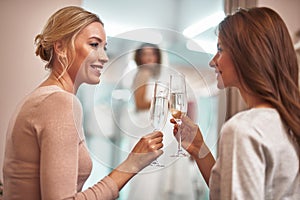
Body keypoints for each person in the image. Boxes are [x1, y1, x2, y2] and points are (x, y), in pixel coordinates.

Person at [2, 6, 164, 199]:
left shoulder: (44, 97)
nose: (104, 57)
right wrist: (132, 164)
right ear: (60, 47)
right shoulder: (59, 102)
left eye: (105, 47)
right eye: (94, 45)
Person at [171, 7, 300, 199]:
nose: (212, 62)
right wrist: (200, 149)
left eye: (220, 49)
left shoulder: (243, 129)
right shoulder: (289, 121)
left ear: (248, 55)